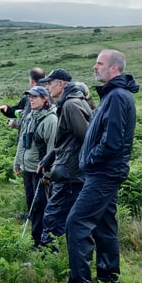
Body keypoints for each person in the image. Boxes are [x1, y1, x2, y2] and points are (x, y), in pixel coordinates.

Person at [49, 49, 139, 283]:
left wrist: (89, 160)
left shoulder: (118, 97)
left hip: (103, 173)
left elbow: (112, 142)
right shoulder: (114, 95)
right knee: (105, 222)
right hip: (106, 172)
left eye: (99, 63)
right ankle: (109, 274)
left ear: (114, 68)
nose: (94, 67)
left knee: (76, 223)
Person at [37, 69, 93, 250]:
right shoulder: (73, 102)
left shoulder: (70, 105)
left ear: (61, 84)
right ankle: (61, 256)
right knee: (65, 216)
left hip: (70, 174)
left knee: (53, 216)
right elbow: (68, 140)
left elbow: (85, 138)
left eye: (50, 83)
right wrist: (49, 158)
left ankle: (48, 260)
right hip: (70, 170)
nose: (47, 87)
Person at [13, 85, 57, 246]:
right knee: (32, 204)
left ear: (45, 99)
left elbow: (53, 149)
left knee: (40, 206)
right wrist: (17, 161)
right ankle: (37, 239)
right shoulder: (30, 116)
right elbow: (22, 142)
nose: (30, 99)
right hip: (27, 168)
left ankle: (42, 242)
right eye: (30, 96)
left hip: (40, 170)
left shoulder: (51, 120)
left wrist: (48, 173)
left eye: (34, 97)